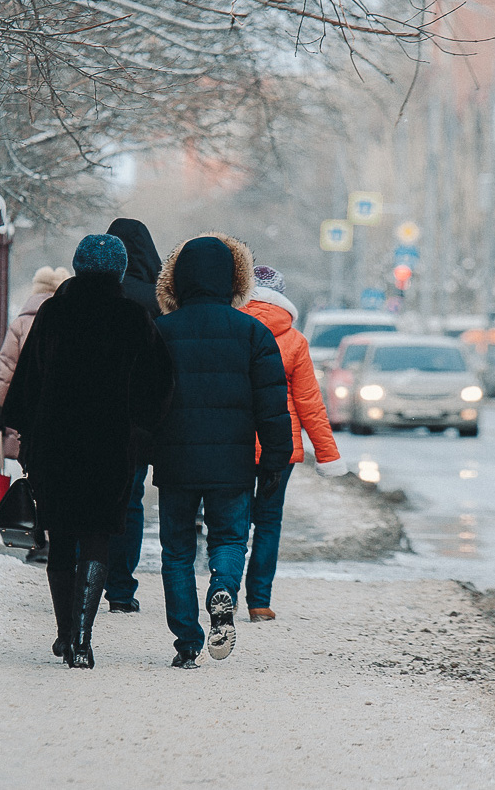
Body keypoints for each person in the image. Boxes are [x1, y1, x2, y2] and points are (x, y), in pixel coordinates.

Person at [0, 235, 174, 668]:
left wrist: (21, 429)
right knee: (97, 535)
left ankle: (63, 635)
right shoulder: (133, 317)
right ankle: (82, 638)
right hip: (110, 445)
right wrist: (140, 431)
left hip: (54, 444)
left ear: (77, 267)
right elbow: (159, 384)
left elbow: (26, 381)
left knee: (60, 538)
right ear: (118, 271)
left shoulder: (54, 313)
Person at [150, 233, 291, 669]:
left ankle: (187, 641)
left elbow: (144, 399)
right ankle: (223, 588)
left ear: (176, 281)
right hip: (232, 462)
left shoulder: (159, 331)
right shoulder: (253, 333)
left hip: (174, 461)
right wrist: (273, 460)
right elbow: (273, 405)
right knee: (229, 538)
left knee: (175, 551)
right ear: (235, 280)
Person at [239, 265, 348, 623]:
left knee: (233, 520)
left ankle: (222, 587)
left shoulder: (231, 327)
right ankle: (258, 602)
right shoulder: (295, 340)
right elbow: (309, 404)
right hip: (279, 446)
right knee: (268, 522)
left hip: (232, 442)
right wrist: (329, 456)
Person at [0, 266, 72, 564]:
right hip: (60, 415)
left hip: (28, 416)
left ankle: (37, 538)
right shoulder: (69, 319)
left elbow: (6, 372)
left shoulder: (21, 323)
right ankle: (55, 536)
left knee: (33, 475)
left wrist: (1, 410)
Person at [102, 218, 161, 612]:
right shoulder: (155, 301)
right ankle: (121, 589)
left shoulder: (86, 293)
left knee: (88, 494)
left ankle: (83, 576)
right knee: (131, 499)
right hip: (136, 418)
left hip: (88, 414)